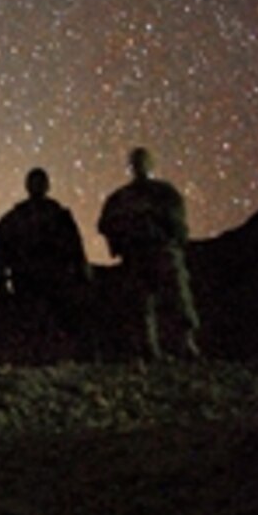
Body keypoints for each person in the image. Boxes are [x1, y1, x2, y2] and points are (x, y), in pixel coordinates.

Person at [97, 147, 201, 360]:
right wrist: (122, 239)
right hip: (136, 254)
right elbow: (105, 223)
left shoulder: (164, 192)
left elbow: (178, 219)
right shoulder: (120, 197)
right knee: (140, 304)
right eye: (136, 161)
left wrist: (170, 234)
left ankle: (185, 343)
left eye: (143, 161)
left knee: (177, 297)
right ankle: (148, 349)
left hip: (162, 250)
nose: (139, 165)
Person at [0, 167, 92, 338]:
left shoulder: (57, 215)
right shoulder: (19, 217)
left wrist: (81, 269)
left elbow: (75, 246)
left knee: (52, 319)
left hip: (52, 277)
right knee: (35, 320)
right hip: (31, 277)